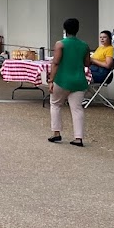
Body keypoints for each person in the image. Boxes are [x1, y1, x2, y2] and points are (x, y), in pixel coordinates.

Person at [49, 17, 90, 147]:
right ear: (78, 29)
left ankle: (56, 133)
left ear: (65, 29)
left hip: (62, 79)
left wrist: (51, 80)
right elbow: (87, 63)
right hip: (79, 80)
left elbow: (55, 63)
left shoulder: (60, 44)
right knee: (77, 109)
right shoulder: (84, 45)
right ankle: (78, 138)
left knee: (55, 104)